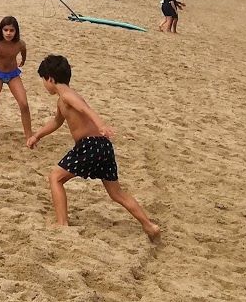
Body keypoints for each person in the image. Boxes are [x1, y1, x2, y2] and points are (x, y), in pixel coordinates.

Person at [28, 54, 160, 240]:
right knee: (117, 193)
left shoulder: (67, 96)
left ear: (50, 78)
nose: (44, 85)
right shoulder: (63, 99)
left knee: (55, 178)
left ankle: (62, 223)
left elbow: (85, 109)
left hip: (90, 145)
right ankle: (150, 226)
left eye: (43, 80)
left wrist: (101, 125)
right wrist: (37, 135)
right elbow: (57, 121)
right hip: (103, 146)